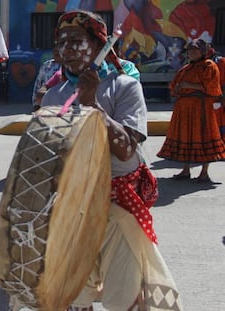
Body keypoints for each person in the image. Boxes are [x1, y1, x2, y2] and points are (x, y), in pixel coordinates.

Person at [39, 10, 182, 310]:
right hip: (73, 210)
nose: (66, 49)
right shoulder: (54, 96)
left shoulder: (124, 86)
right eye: (61, 42)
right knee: (74, 295)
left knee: (123, 297)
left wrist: (92, 105)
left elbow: (127, 150)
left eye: (75, 41)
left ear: (99, 45)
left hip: (119, 208)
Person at [157, 39, 225, 183]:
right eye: (190, 50)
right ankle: (185, 170)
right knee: (185, 138)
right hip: (184, 109)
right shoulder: (186, 69)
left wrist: (188, 85)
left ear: (203, 51)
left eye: (195, 50)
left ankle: (204, 172)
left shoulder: (209, 66)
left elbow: (212, 87)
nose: (192, 53)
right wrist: (176, 88)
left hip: (201, 108)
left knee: (204, 137)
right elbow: (174, 85)